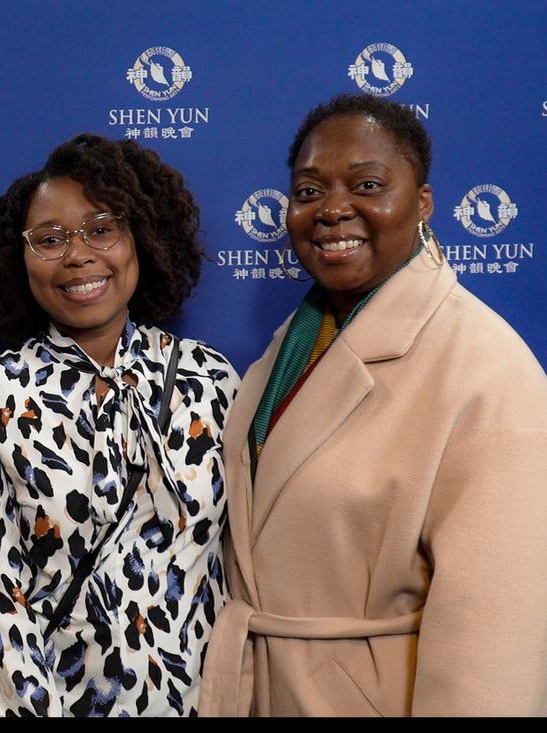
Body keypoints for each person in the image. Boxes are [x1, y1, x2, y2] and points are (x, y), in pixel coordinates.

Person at [198, 94, 547, 716]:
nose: (333, 210)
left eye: (367, 185)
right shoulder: (293, 344)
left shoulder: (485, 366)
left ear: (423, 203)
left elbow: (498, 633)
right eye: (308, 191)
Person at [0, 133, 239, 716]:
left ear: (142, 239)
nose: (78, 255)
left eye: (101, 228)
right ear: (20, 259)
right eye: (49, 239)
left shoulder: (210, 380)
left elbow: (243, 571)